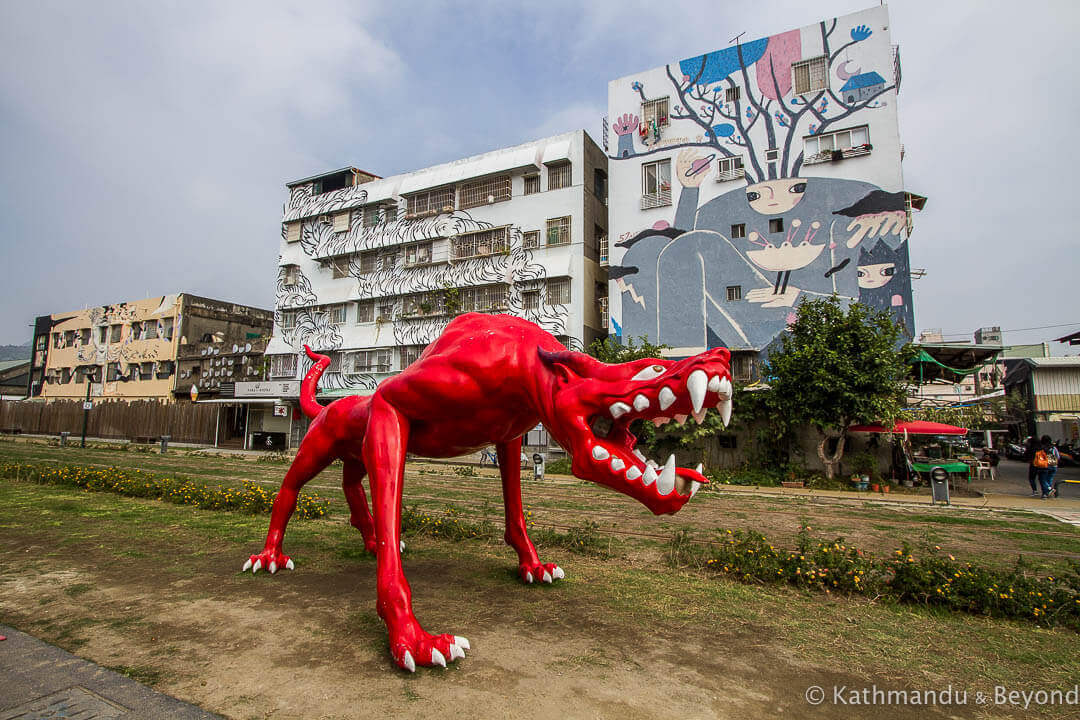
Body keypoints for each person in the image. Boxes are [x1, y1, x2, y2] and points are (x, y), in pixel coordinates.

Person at [1035, 435, 1059, 500]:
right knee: (1049, 479)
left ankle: (1048, 491)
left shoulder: (1041, 448)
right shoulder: (1054, 448)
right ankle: (1047, 493)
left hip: (1044, 466)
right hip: (1054, 465)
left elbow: (1037, 457)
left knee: (1042, 480)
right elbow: (1058, 456)